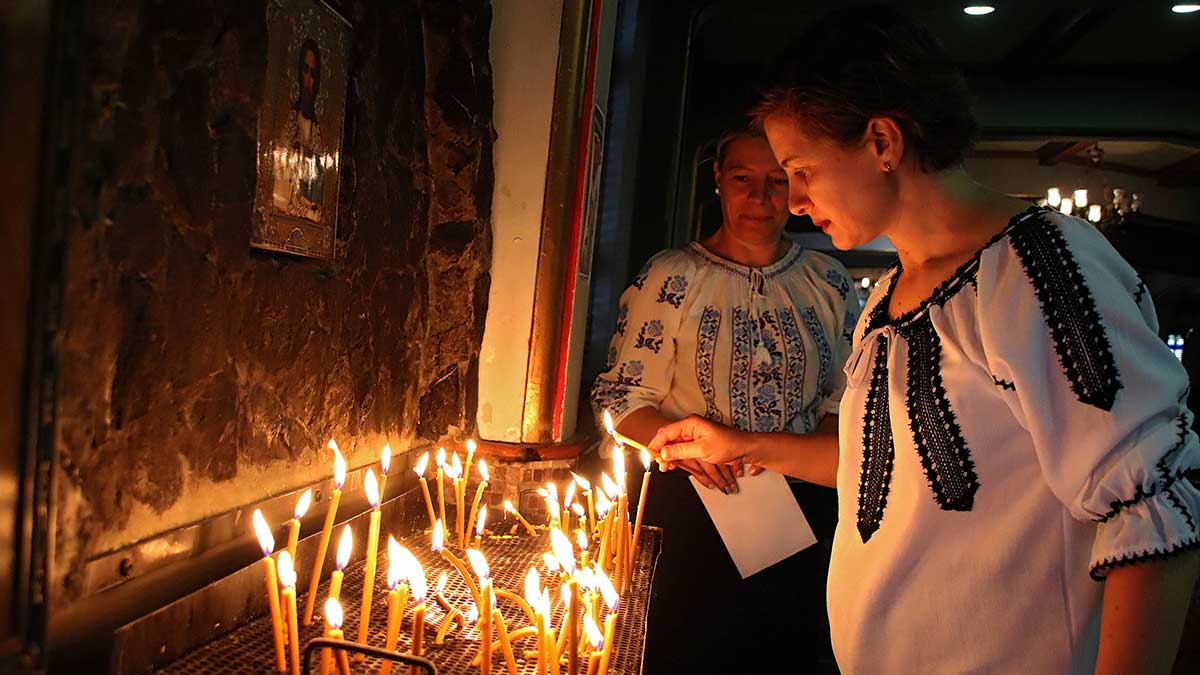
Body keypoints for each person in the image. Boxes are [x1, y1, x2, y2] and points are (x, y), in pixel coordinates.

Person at [648, 6, 1200, 675]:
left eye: (801, 168)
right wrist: (745, 446)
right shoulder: (885, 298)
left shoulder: (1037, 269)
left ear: (882, 142)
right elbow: (882, 473)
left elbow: (1153, 510)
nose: (792, 199)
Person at [591, 124, 859, 673]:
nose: (760, 198)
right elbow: (621, 396)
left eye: (777, 180)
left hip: (804, 509)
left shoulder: (827, 280)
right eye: (742, 178)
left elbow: (846, 392)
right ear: (717, 178)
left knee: (790, 649)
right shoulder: (673, 277)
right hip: (691, 508)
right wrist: (682, 447)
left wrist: (818, 453)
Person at [272, 37, 326, 221]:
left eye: (314, 74)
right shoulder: (290, 121)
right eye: (305, 71)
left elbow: (318, 176)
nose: (309, 80)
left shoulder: (315, 129)